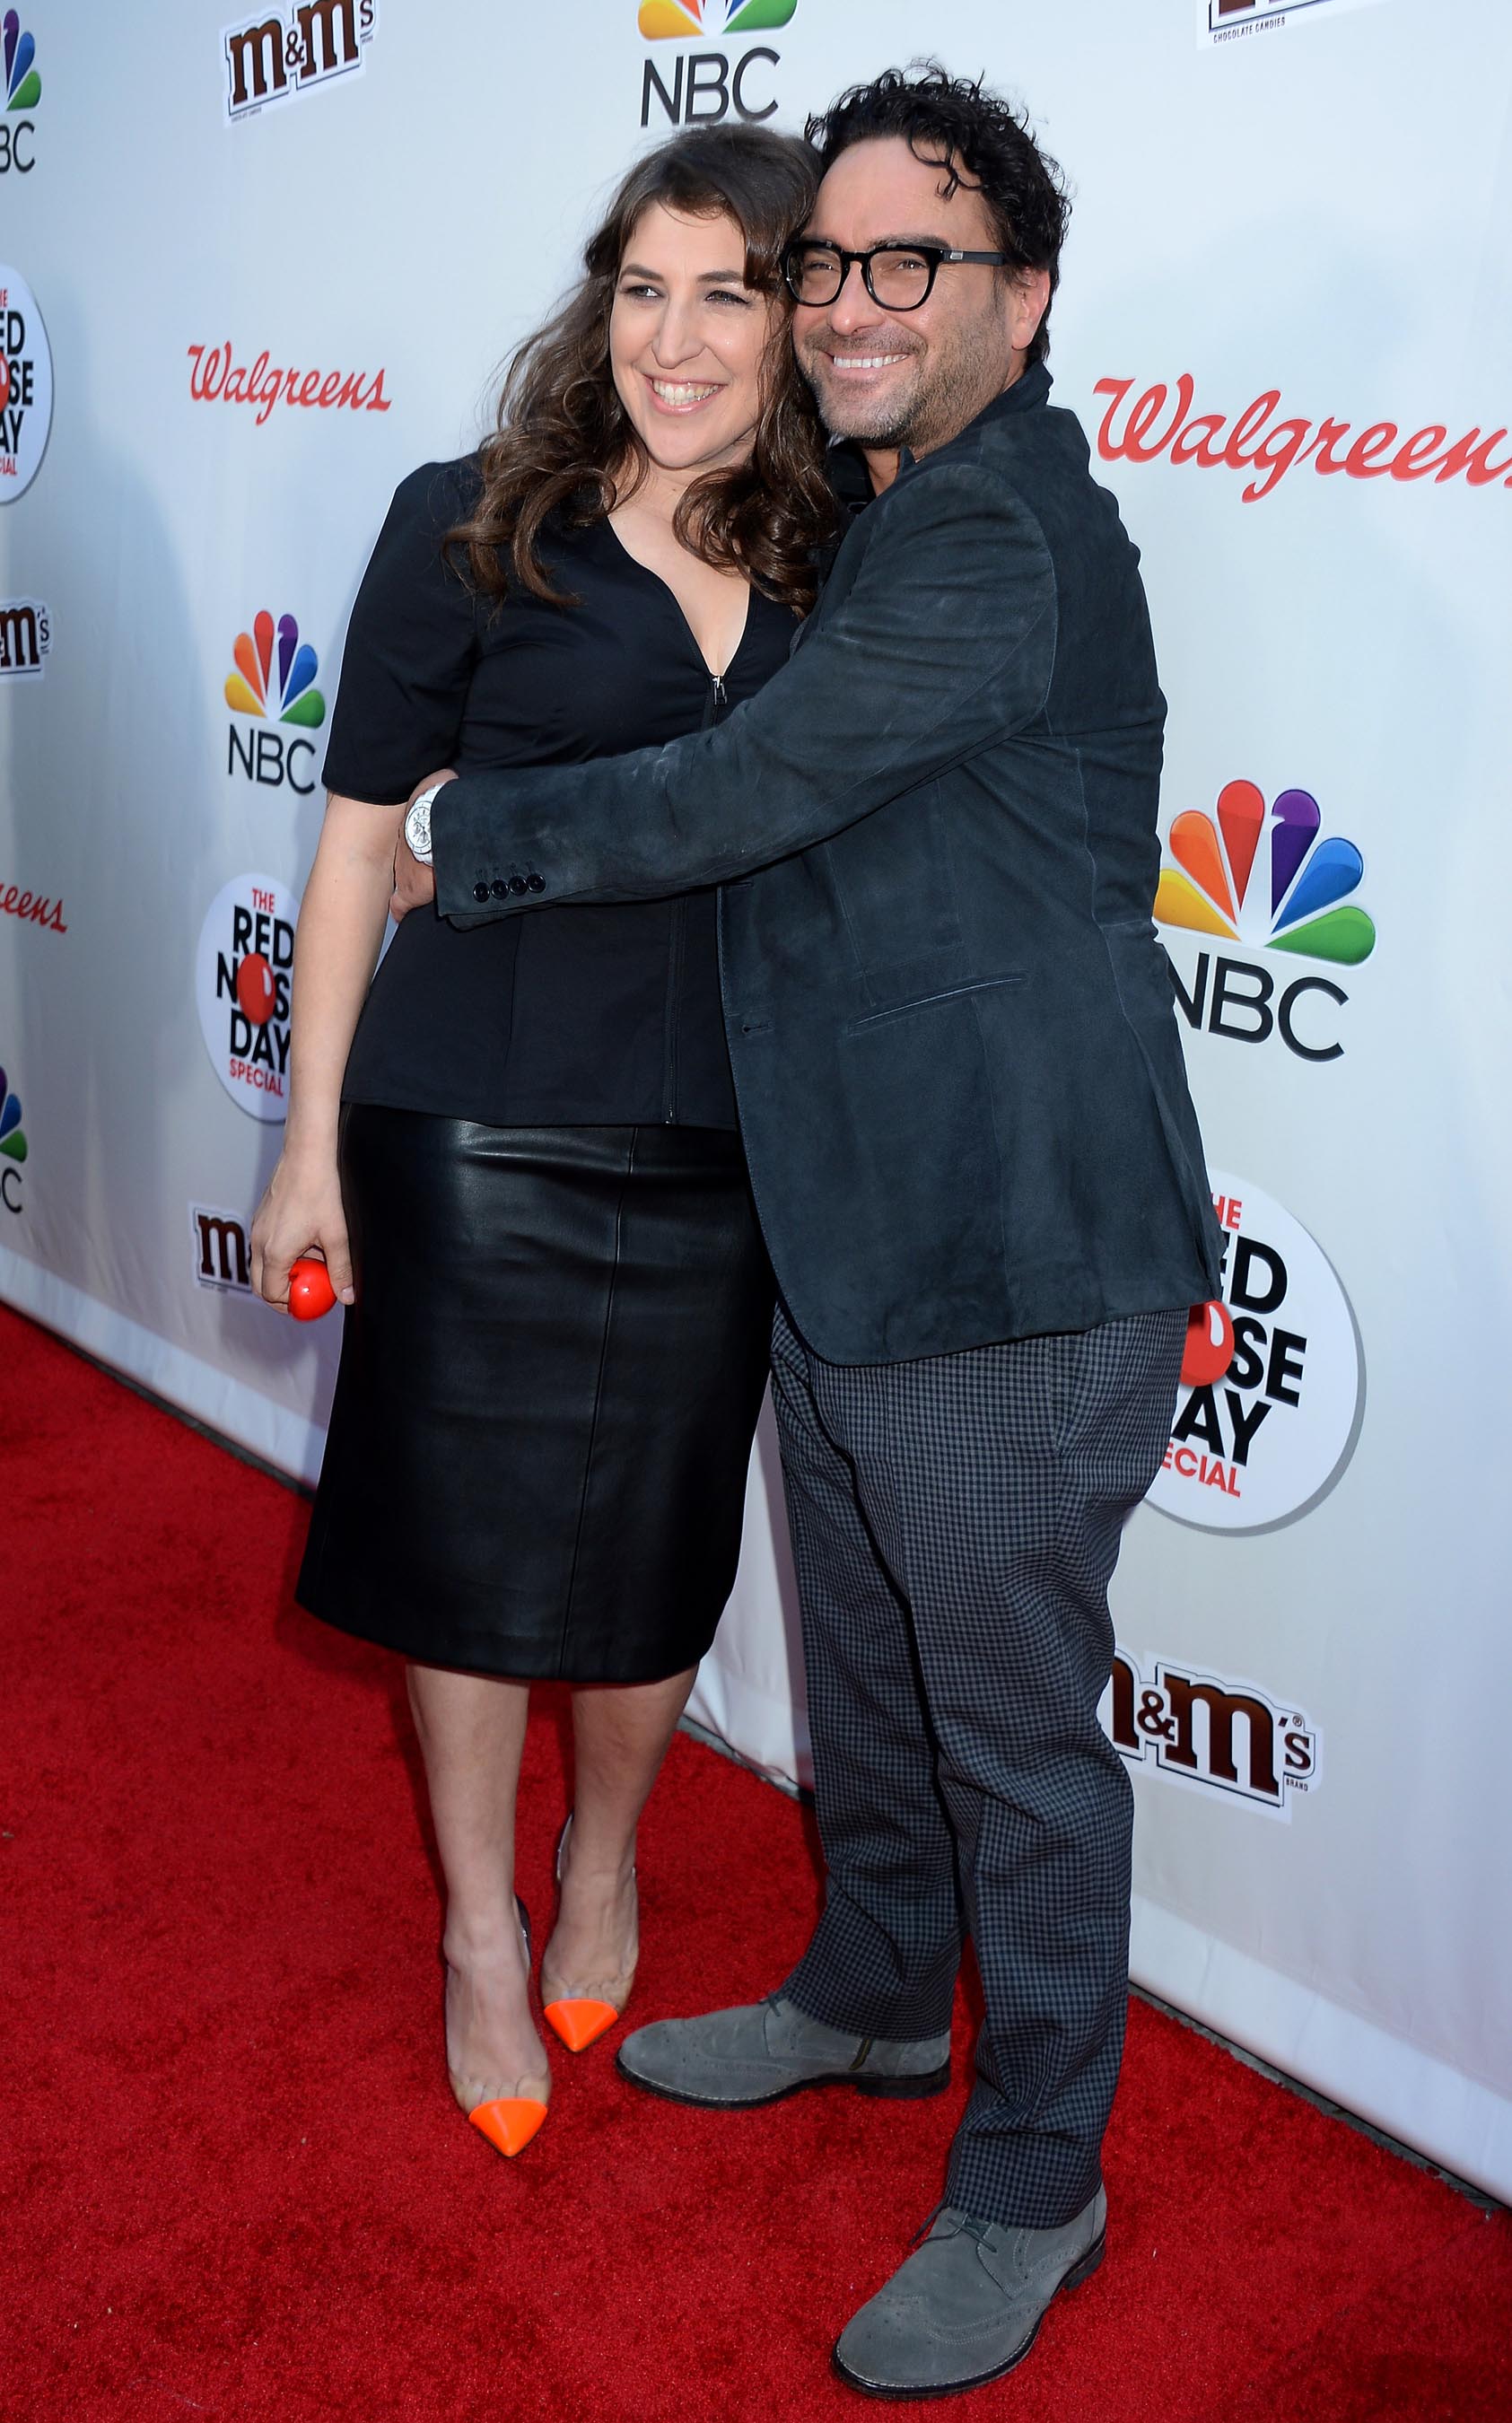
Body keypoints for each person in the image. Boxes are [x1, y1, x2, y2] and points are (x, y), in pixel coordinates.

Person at [392, 64, 1222, 2394]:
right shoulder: (870, 517)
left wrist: (500, 830)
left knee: (1010, 1739)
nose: (852, 302)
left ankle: (1033, 2165)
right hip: (853, 1232)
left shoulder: (987, 531)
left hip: (1015, 1249)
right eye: (824, 260)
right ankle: (869, 1988)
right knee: (868, 1688)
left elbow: (754, 783)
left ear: (1019, 302)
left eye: (907, 262)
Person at [249, 127, 839, 2164]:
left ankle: (606, 1862)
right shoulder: (467, 523)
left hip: (728, 1140)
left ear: (797, 313)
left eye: (728, 293)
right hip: (470, 1122)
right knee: (471, 1561)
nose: (675, 339)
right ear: (606, 298)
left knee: (657, 1561)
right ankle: (486, 1933)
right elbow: (350, 850)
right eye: (645, 286)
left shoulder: (845, 545)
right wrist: (305, 1143)